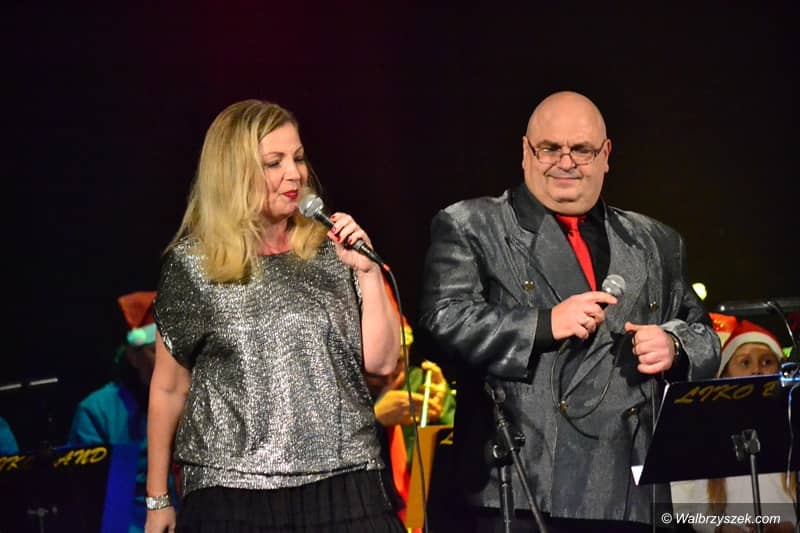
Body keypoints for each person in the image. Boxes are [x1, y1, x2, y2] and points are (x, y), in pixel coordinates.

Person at [418, 90, 721, 532]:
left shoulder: (656, 241)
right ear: (526, 151)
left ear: (606, 155)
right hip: (523, 489)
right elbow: (441, 321)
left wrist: (674, 345)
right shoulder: (471, 225)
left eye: (581, 150)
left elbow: (705, 334)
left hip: (631, 492)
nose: (566, 162)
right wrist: (543, 324)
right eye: (549, 149)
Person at [145, 99, 404, 533]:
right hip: (233, 492)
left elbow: (381, 363)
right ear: (233, 173)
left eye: (298, 158)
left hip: (346, 479)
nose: (295, 174)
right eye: (274, 162)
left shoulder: (332, 252)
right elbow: (169, 388)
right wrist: (157, 499)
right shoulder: (194, 265)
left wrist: (368, 273)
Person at [671, 316, 797, 533]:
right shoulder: (707, 433)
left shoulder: (792, 430)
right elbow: (687, 506)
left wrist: (790, 526)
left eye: (767, 362)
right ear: (724, 374)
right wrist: (720, 528)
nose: (756, 371)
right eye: (745, 363)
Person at [68, 290, 176, 533]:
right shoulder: (98, 411)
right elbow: (88, 500)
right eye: (156, 351)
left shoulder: (196, 401)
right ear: (133, 357)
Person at [366, 320, 456, 524]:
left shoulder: (421, 385)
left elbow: (454, 457)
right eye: (376, 368)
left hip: (415, 509)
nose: (389, 378)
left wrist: (439, 417)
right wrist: (375, 420)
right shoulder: (344, 388)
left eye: (398, 363)